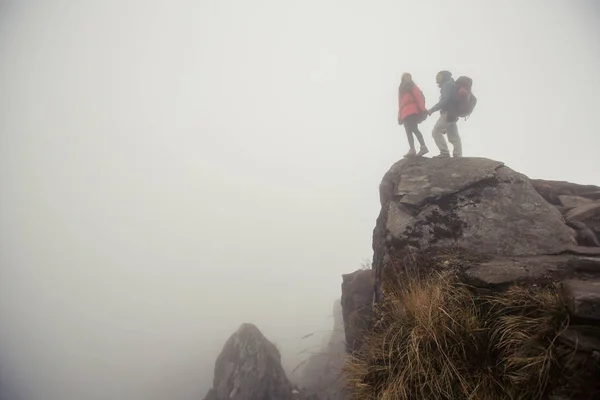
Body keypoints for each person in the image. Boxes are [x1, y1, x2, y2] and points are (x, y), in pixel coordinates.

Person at [426, 70, 462, 158]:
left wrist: (432, 110)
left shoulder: (447, 84)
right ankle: (458, 155)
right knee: (454, 136)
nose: (437, 77)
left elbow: (445, 100)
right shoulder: (452, 84)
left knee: (436, 131)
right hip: (454, 113)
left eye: (439, 75)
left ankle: (444, 152)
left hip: (448, 112)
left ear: (444, 76)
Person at [398, 73, 429, 157]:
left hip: (412, 110)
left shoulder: (412, 86)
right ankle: (412, 149)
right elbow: (400, 103)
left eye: (409, 77)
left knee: (414, 128)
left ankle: (423, 147)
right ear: (403, 78)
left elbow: (418, 97)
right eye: (406, 77)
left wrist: (423, 109)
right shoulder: (401, 88)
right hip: (404, 112)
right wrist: (399, 116)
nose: (408, 78)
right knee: (408, 131)